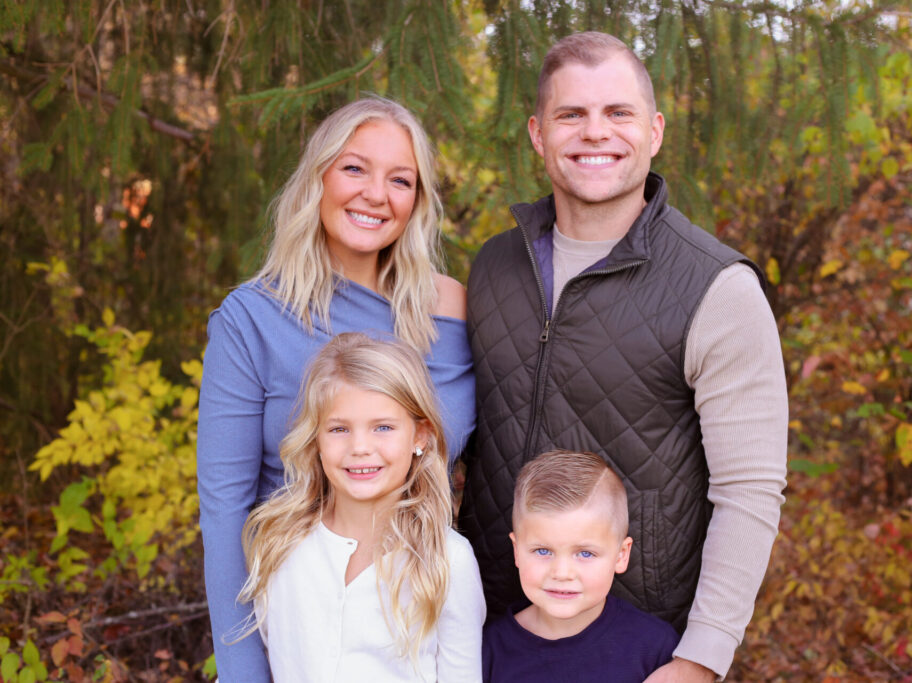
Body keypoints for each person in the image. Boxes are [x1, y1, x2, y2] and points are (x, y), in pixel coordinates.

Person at [461, 32, 788, 681]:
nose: (594, 133)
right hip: (490, 636)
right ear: (537, 133)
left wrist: (699, 657)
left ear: (655, 130)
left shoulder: (716, 288)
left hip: (638, 651)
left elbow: (748, 491)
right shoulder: (495, 268)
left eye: (618, 113)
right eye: (571, 114)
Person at [197, 97, 475, 681]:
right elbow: (225, 510)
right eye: (354, 168)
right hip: (302, 610)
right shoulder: (251, 318)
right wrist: (244, 671)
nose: (376, 194)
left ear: (417, 202)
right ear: (317, 178)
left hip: (416, 605)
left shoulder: (446, 309)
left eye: (400, 180)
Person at [236, 332, 485, 681]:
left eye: (382, 427)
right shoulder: (280, 544)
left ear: (420, 436)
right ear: (316, 439)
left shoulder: (448, 561)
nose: (360, 447)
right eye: (339, 429)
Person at [482, 450, 678, 682]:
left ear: (621, 555)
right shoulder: (489, 649)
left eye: (585, 553)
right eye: (543, 551)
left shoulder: (655, 648)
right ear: (517, 551)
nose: (562, 573)